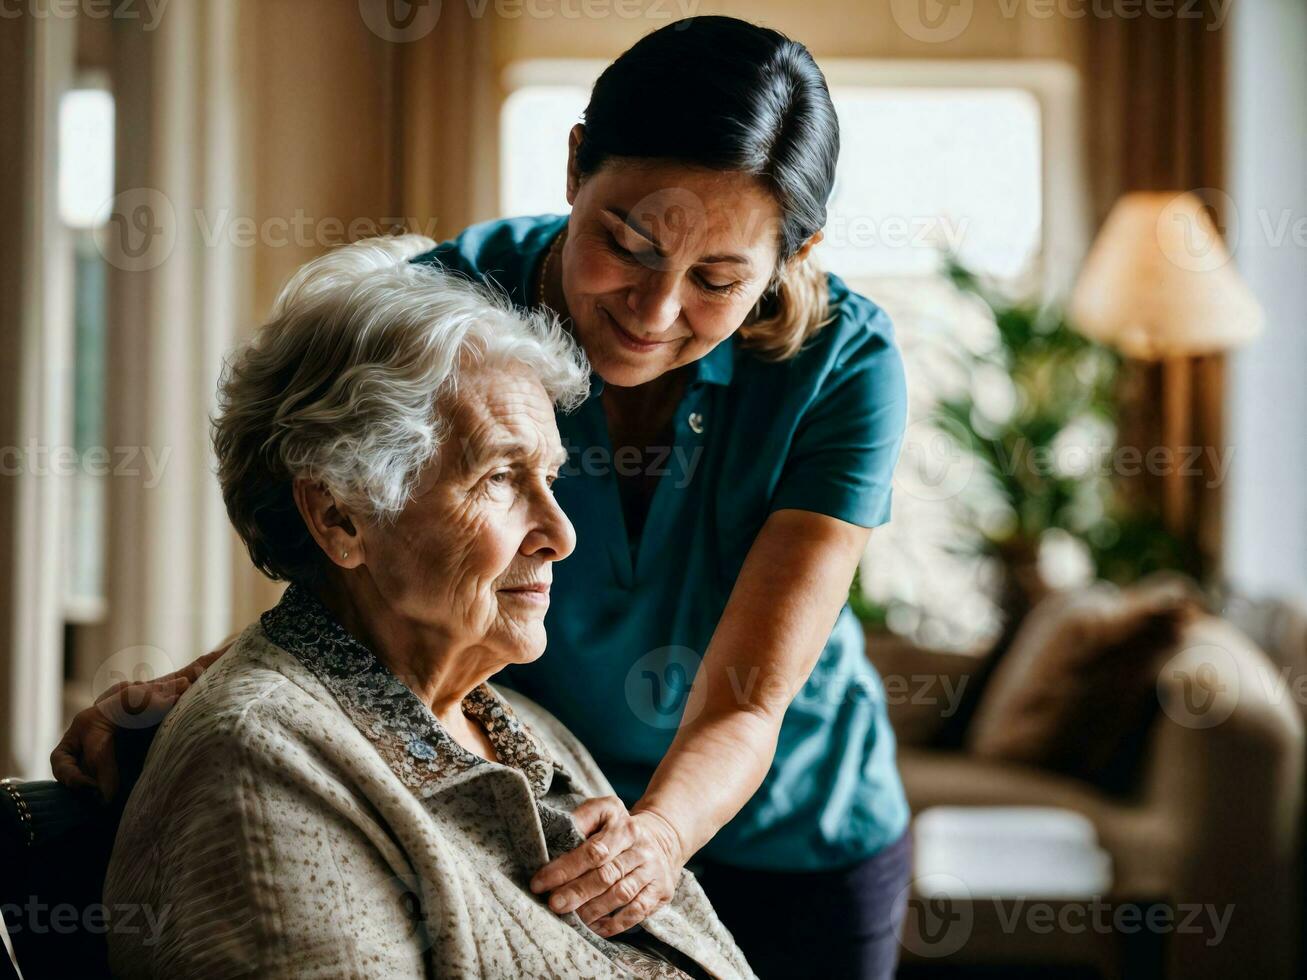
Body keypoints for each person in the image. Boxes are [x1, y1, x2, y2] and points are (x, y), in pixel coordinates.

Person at [58, 16, 912, 978]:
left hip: (794, 825)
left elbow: (748, 699)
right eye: (625, 244)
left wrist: (661, 838)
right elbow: (355, 536)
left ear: (792, 257)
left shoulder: (844, 364)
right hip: (543, 791)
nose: (654, 310)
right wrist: (201, 684)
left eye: (718, 279)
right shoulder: (457, 304)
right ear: (576, 164)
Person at [102, 237, 755, 979]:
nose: (561, 535)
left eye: (548, 476)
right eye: (501, 479)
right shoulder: (260, 765)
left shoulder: (525, 727)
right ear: (341, 517)